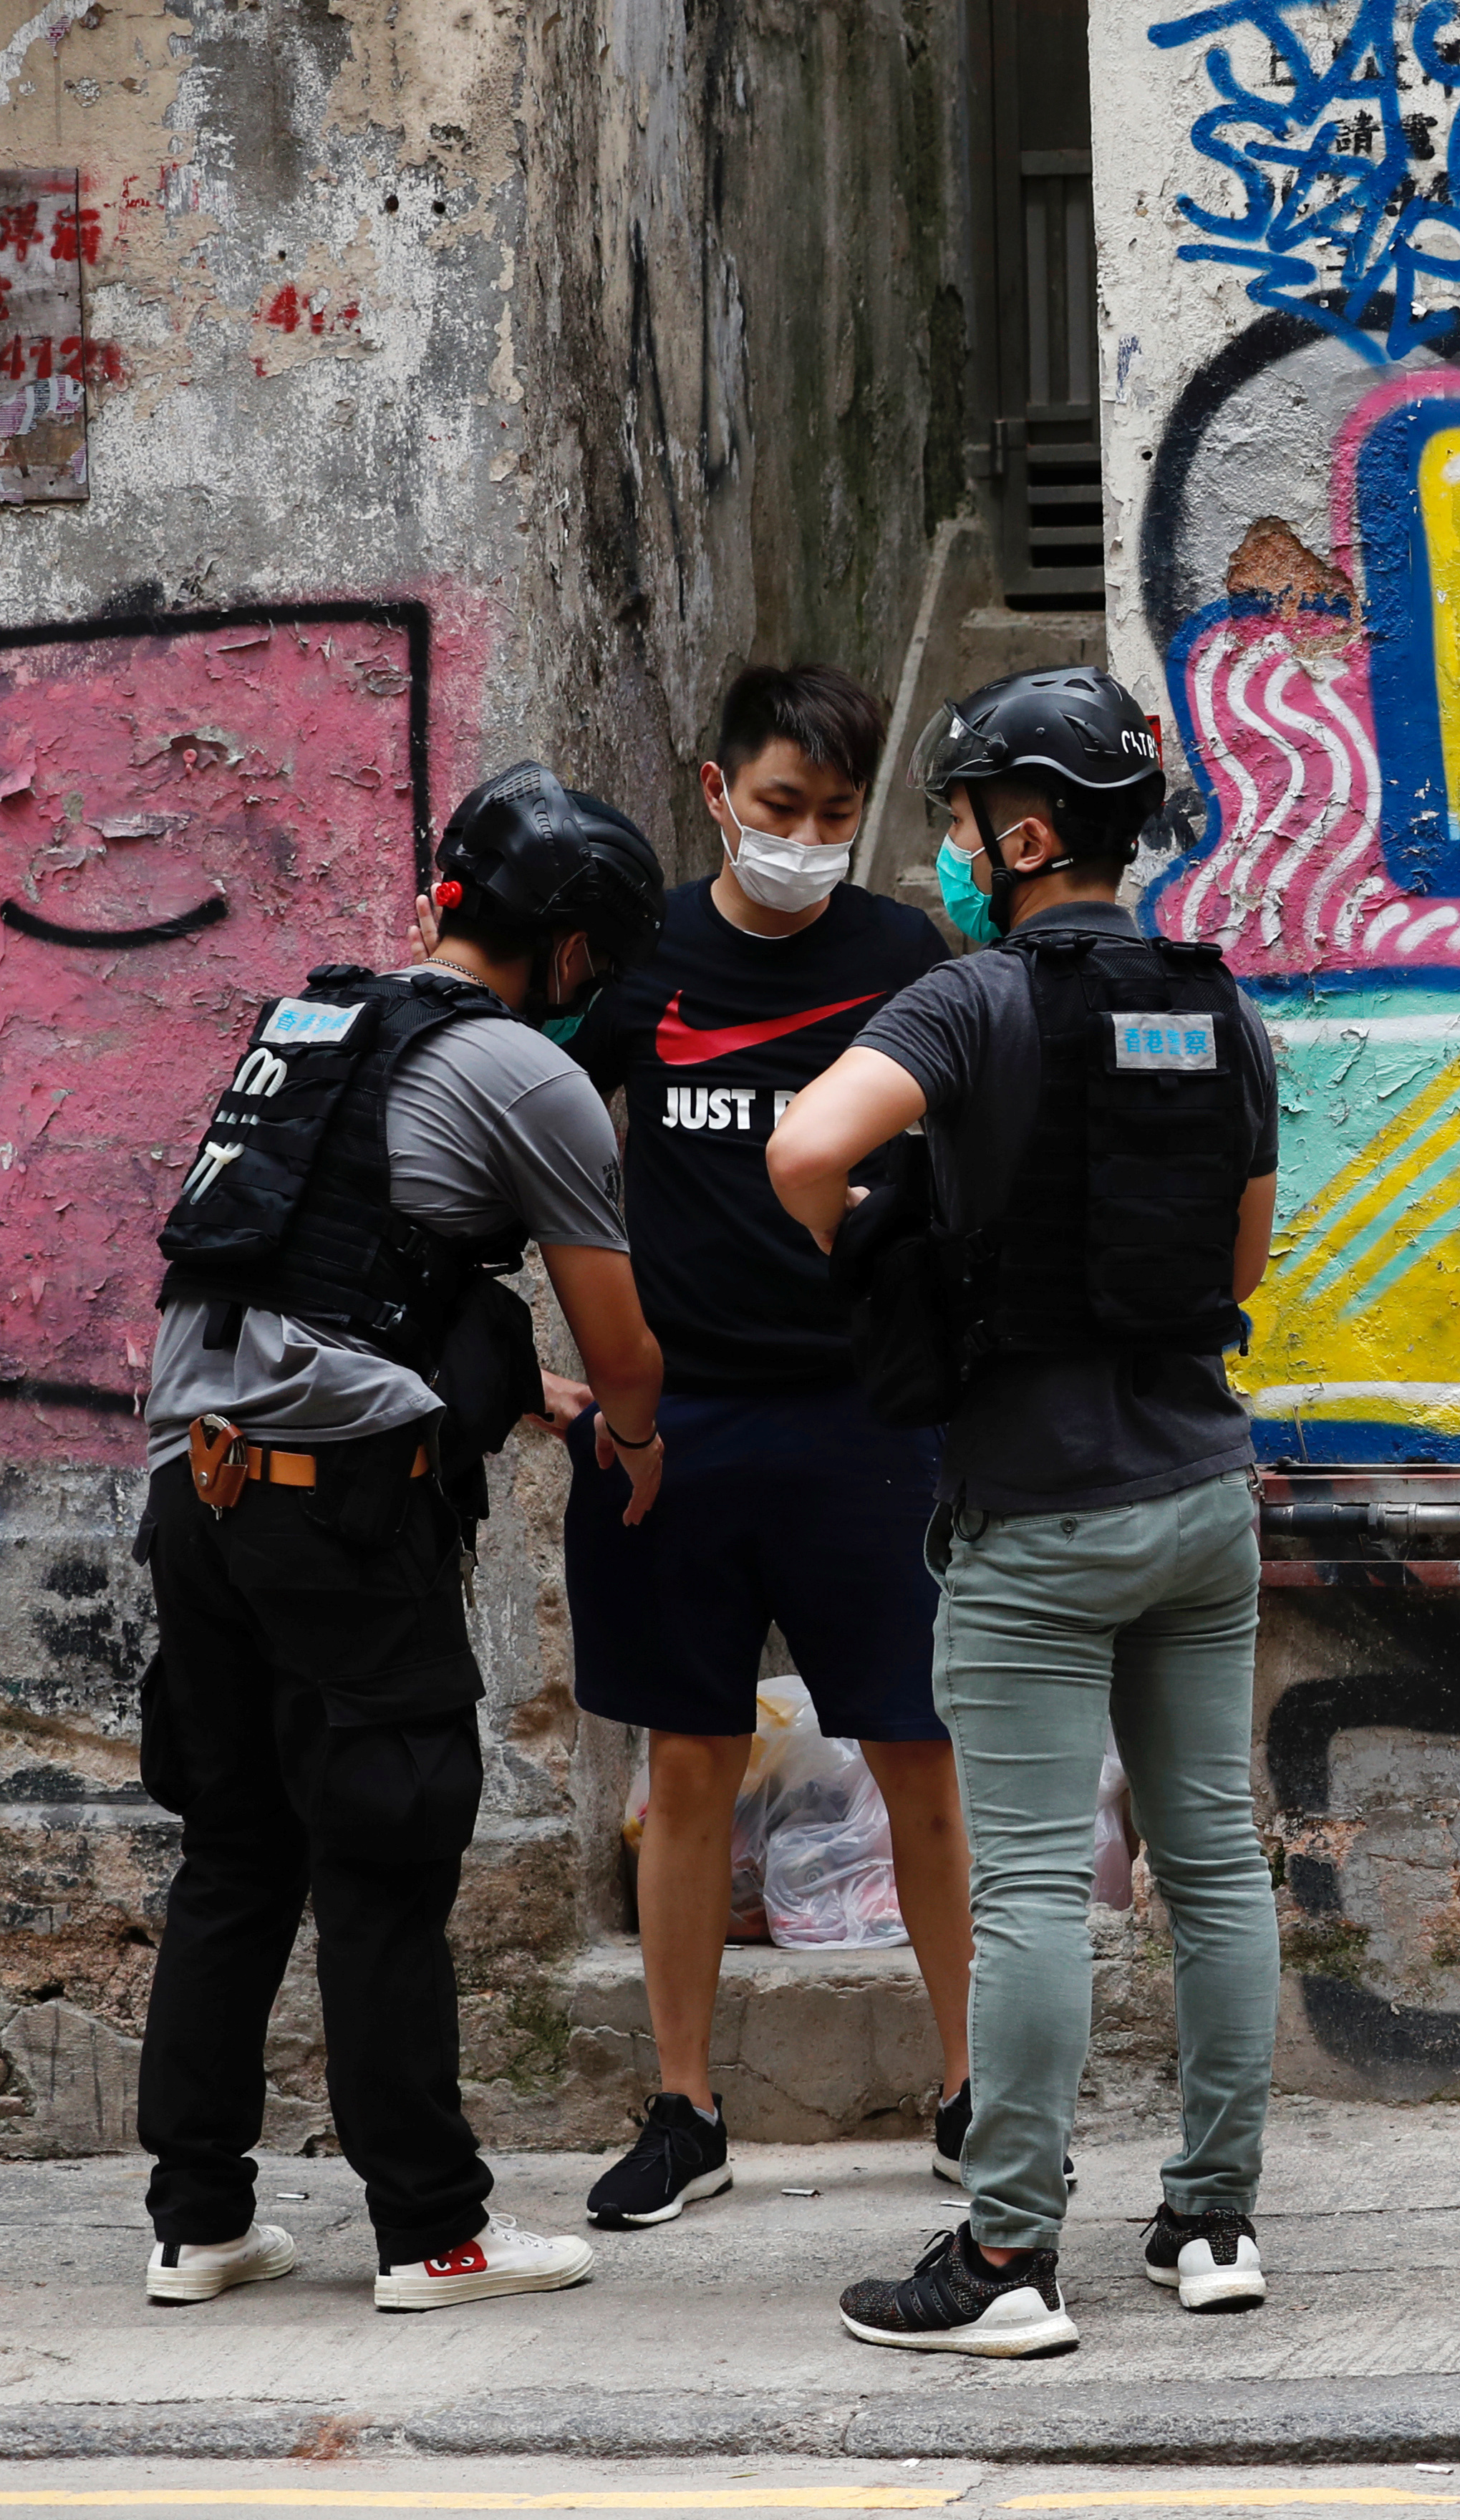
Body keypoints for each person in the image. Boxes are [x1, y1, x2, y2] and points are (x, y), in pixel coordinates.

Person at [765, 666, 1281, 2357]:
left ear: (1032, 827)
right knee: (1213, 1860)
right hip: (1204, 1495)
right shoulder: (1220, 1008)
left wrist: (898, 1236)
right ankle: (1212, 2219)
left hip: (1037, 1519)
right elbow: (1243, 1263)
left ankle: (1007, 2255)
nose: (957, 850)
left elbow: (800, 1147)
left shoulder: (967, 1001)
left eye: (972, 818)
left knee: (1034, 1888)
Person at [132, 765, 666, 2313]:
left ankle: (200, 2221)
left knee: (237, 1851)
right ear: (571, 952)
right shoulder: (524, 1069)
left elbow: (327, 1267)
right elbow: (625, 1345)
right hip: (340, 1516)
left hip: (198, 1484)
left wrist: (511, 1392)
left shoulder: (311, 1026)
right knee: (384, 1849)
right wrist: (626, 1435)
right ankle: (435, 2232)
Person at [561, 665, 975, 2231]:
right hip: (675, 1423)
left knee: (920, 1760)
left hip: (872, 1416)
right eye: (780, 805)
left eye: (835, 813)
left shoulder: (902, 959)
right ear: (717, 788)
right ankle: (684, 2107)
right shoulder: (639, 959)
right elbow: (537, 1147)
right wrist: (583, 1382)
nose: (805, 837)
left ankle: (965, 2087)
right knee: (684, 1765)